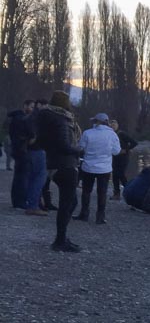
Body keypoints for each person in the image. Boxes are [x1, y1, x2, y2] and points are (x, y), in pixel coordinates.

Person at [33, 91, 83, 252]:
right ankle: (60, 240)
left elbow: (40, 142)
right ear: (65, 103)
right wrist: (79, 151)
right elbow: (64, 145)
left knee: (68, 202)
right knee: (68, 203)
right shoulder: (61, 120)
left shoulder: (44, 118)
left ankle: (61, 238)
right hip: (66, 165)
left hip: (53, 164)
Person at [76, 113, 122, 224]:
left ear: (96, 122)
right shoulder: (112, 135)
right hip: (104, 168)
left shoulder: (87, 133)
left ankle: (84, 214)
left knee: (86, 191)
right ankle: (100, 217)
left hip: (88, 166)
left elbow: (80, 147)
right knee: (102, 193)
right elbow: (116, 151)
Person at [7, 99, 35, 209]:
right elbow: (30, 133)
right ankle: (21, 201)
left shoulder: (15, 118)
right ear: (25, 106)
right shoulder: (22, 119)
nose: (32, 110)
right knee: (23, 176)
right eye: (31, 107)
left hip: (17, 149)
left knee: (18, 176)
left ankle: (16, 200)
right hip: (22, 149)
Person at [109, 119, 138, 200]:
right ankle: (116, 194)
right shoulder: (110, 134)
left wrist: (126, 150)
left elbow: (134, 142)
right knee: (115, 175)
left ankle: (129, 191)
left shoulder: (121, 134)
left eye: (114, 125)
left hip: (123, 157)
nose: (113, 126)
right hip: (115, 157)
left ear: (117, 125)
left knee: (121, 174)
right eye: (111, 125)